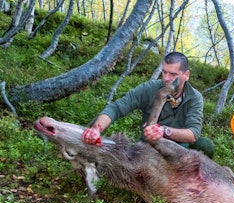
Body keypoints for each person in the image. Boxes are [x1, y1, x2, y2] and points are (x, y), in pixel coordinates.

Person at [82, 51, 215, 159]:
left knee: (205, 145)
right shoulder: (149, 89)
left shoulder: (195, 97)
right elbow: (116, 108)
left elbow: (193, 133)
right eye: (164, 72)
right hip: (149, 147)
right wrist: (96, 129)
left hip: (179, 149)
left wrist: (163, 131)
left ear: (186, 75)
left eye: (173, 74)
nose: (167, 78)